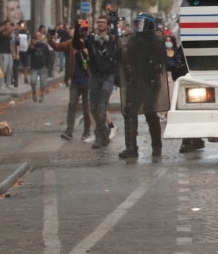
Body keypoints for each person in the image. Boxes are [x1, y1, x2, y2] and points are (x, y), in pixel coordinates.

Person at [117, 13, 168, 158]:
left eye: (141, 24)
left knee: (150, 111)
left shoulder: (156, 41)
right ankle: (131, 147)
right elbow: (125, 59)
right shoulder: (132, 40)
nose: (138, 27)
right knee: (130, 111)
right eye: (137, 23)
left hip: (150, 81)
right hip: (135, 80)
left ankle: (156, 147)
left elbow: (161, 60)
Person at [77, 14, 120, 149]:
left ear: (108, 25)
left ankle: (100, 137)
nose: (100, 24)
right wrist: (78, 28)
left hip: (108, 76)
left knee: (101, 109)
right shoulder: (91, 39)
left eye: (103, 22)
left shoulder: (112, 39)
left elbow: (119, 49)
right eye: (98, 22)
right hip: (95, 76)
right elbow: (78, 43)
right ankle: (104, 133)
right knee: (93, 108)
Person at [52, 20, 92, 141]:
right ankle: (69, 131)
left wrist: (87, 52)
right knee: (72, 105)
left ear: (86, 32)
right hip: (75, 81)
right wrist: (50, 39)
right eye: (79, 30)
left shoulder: (90, 43)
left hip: (88, 81)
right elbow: (58, 47)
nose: (81, 32)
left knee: (87, 108)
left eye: (83, 30)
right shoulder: (71, 43)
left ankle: (87, 132)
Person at [28, 29, 53, 103]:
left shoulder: (44, 46)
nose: (38, 38)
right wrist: (32, 45)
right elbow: (28, 52)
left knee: (43, 83)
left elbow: (49, 56)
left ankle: (42, 95)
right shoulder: (32, 45)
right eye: (36, 36)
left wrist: (47, 65)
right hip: (34, 67)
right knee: (33, 81)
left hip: (43, 67)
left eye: (39, 36)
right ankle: (34, 92)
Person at [0, 20, 17, 89]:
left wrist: (13, 52)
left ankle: (8, 83)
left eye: (9, 25)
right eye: (7, 25)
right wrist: (12, 28)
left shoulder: (10, 34)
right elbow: (5, 33)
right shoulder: (2, 32)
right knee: (3, 69)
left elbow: (10, 44)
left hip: (9, 53)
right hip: (3, 53)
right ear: (4, 25)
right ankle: (1, 84)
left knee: (10, 68)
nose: (8, 26)